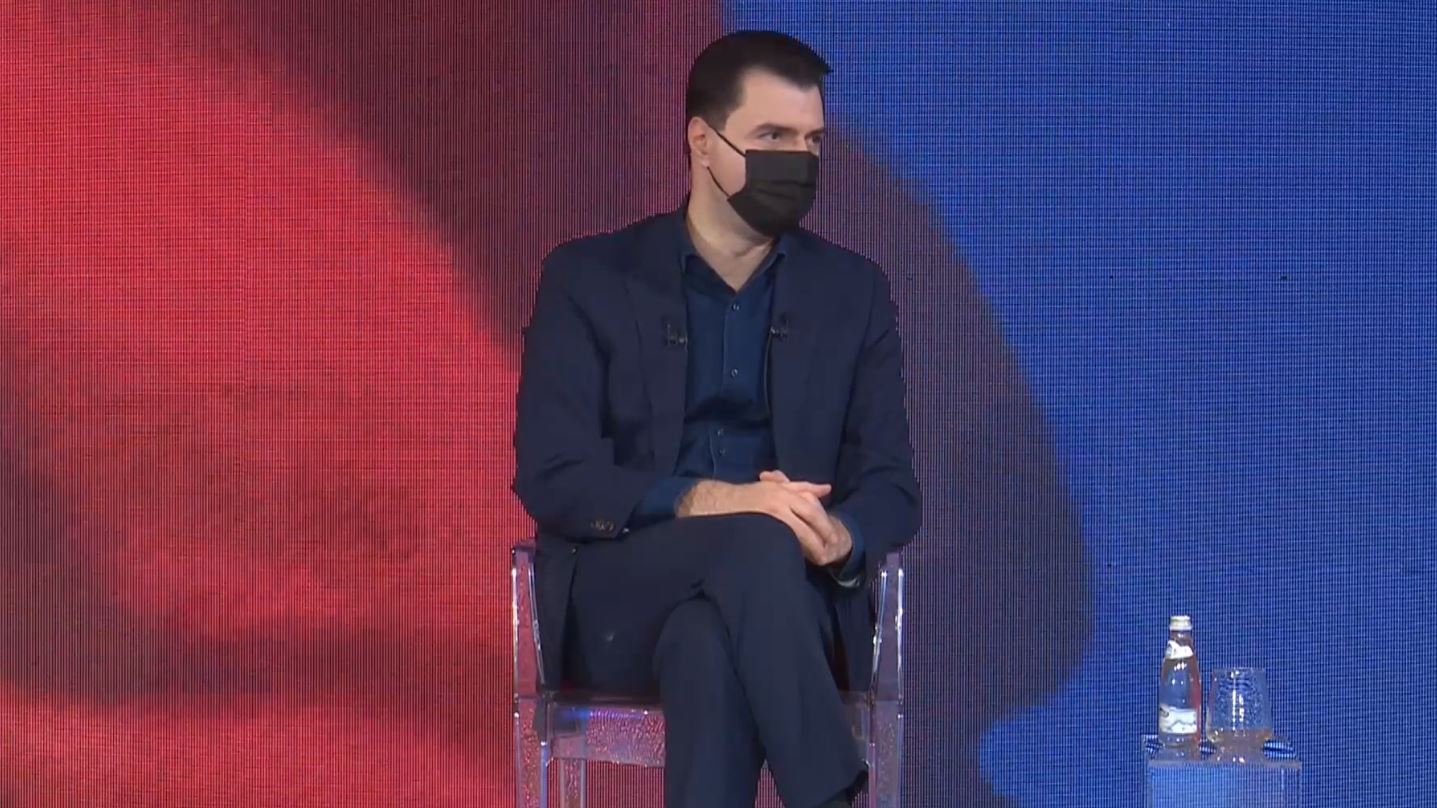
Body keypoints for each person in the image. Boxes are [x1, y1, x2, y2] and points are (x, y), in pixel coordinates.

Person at [512, 29, 921, 808]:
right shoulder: (588, 278)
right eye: (772, 138)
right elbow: (554, 476)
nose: (797, 162)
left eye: (811, 142)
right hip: (620, 601)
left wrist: (840, 537)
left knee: (706, 642)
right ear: (701, 141)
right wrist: (720, 500)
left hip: (791, 610)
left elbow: (891, 486)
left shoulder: (851, 292)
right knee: (753, 536)